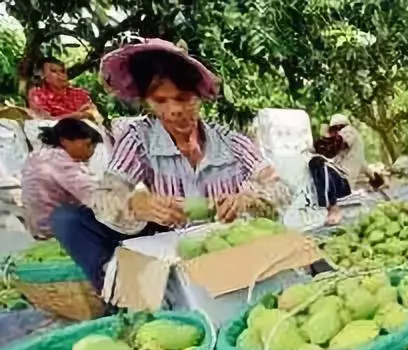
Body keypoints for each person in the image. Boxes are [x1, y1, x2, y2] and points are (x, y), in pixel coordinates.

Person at [50, 39, 291, 291]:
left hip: (228, 246)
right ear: (147, 102)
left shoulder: (231, 141)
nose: (174, 110)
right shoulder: (139, 139)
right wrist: (135, 203)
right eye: (160, 100)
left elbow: (281, 189)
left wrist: (248, 199)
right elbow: (104, 196)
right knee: (67, 219)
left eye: (183, 98)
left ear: (198, 95)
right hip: (171, 249)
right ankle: (123, 295)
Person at [20, 119, 102, 239]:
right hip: (54, 229)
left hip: (37, 225)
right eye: (87, 145)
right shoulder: (62, 164)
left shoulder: (36, 156)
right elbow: (93, 196)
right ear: (64, 141)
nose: (91, 152)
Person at [308, 113, 384, 226]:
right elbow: (366, 168)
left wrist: (318, 145)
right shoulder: (353, 154)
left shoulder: (349, 130)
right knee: (321, 166)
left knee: (317, 163)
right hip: (344, 184)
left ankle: (332, 207)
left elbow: (336, 144)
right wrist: (377, 181)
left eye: (334, 130)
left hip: (342, 182)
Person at [27, 57, 100, 121]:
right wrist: (73, 117)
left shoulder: (80, 94)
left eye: (62, 71)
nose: (61, 75)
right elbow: (43, 120)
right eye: (53, 71)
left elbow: (95, 116)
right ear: (42, 76)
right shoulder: (38, 94)